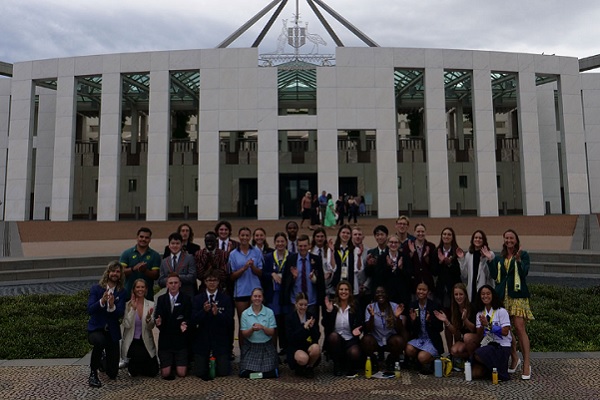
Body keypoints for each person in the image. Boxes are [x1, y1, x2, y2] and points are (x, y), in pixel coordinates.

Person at [483, 229, 533, 380]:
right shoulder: (500, 257)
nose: (509, 240)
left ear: (516, 240)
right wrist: (490, 260)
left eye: (511, 238)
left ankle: (526, 363)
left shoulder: (523, 255)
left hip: (517, 296)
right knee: (506, 328)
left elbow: (524, 273)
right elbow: (494, 275)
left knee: (519, 327)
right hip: (502, 297)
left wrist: (518, 261)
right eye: (506, 238)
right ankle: (514, 357)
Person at [87, 261, 126, 387]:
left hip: (112, 331)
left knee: (112, 374)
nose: (115, 274)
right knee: (99, 341)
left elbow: (120, 313)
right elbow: (90, 309)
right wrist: (102, 301)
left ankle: (102, 360)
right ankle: (93, 373)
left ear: (120, 275)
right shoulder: (96, 289)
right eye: (113, 271)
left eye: (118, 271)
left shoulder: (122, 292)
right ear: (108, 272)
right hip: (96, 329)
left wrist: (112, 305)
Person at [191, 271, 234, 380]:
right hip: (203, 340)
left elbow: (229, 321)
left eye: (214, 280)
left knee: (223, 372)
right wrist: (204, 312)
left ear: (218, 282)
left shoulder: (226, 299)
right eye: (209, 280)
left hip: (220, 340)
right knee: (200, 372)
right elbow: (193, 320)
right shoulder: (197, 299)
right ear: (205, 282)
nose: (212, 283)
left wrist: (217, 314)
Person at [229, 227, 264, 347]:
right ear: (239, 237)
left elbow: (261, 273)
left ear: (250, 237)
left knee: (257, 322)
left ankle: (256, 350)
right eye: (242, 235)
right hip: (241, 292)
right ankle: (244, 353)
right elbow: (232, 276)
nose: (244, 238)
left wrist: (252, 267)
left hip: (255, 291)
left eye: (247, 235)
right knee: (244, 323)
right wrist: (244, 268)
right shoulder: (233, 254)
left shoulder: (256, 252)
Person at [154, 273, 192, 380]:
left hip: (180, 340)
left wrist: (185, 324)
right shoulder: (161, 299)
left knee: (181, 373)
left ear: (180, 284)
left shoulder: (186, 299)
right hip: (166, 340)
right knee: (165, 374)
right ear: (167, 285)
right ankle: (169, 363)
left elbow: (189, 317)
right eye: (171, 283)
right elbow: (158, 316)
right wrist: (158, 322)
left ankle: (177, 363)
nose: (173, 285)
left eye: (176, 283)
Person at [361, 286, 408, 371]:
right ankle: (373, 360)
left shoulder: (394, 306)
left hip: (390, 338)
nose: (380, 295)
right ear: (374, 295)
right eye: (378, 293)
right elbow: (368, 329)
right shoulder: (370, 307)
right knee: (366, 340)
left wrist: (397, 318)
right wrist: (372, 317)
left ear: (387, 294)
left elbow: (399, 329)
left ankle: (391, 359)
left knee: (399, 341)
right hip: (376, 338)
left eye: (382, 292)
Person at [472, 285, 512, 381]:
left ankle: (499, 371)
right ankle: (491, 369)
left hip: (502, 346)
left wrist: (489, 325)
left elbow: (505, 332)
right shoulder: (480, 314)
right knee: (475, 374)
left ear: (492, 295)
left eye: (488, 294)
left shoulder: (501, 311)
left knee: (478, 354)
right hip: (488, 345)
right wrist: (482, 325)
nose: (485, 296)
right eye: (483, 294)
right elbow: (479, 335)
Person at [322, 281, 363, 377]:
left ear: (350, 292)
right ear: (337, 291)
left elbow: (361, 323)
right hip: (336, 339)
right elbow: (325, 325)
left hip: (350, 338)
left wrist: (358, 329)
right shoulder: (332, 305)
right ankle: (337, 365)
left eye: (346, 290)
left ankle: (348, 364)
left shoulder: (355, 305)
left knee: (355, 353)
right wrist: (328, 312)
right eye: (341, 289)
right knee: (333, 337)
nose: (343, 292)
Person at [282, 234, 325, 323]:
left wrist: (314, 279)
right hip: (295, 301)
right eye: (300, 246)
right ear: (297, 246)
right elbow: (285, 280)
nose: (303, 248)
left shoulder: (316, 259)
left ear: (309, 245)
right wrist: (293, 277)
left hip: (311, 302)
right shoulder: (291, 259)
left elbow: (321, 281)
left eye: (305, 246)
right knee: (295, 328)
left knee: (312, 328)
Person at [433, 283, 477, 370]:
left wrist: (465, 320)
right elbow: (455, 332)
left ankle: (473, 358)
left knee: (466, 338)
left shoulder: (472, 307)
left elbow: (474, 329)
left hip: (473, 338)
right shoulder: (454, 308)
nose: (458, 297)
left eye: (461, 294)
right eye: (456, 294)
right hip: (462, 338)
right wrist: (446, 321)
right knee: (454, 350)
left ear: (465, 295)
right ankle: (453, 359)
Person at [405, 280, 444, 374]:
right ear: (416, 290)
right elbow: (410, 329)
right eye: (419, 289)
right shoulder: (413, 305)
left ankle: (434, 359)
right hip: (419, 338)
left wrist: (430, 321)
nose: (421, 292)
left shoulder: (434, 305)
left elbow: (440, 328)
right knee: (408, 349)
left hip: (431, 339)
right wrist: (413, 321)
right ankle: (418, 360)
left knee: (422, 357)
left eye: (424, 290)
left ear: (428, 292)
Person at [122, 279, 159, 377]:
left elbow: (151, 326)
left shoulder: (151, 304)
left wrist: (148, 319)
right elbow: (126, 324)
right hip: (133, 341)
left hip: (145, 340)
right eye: (138, 287)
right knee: (135, 372)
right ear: (134, 289)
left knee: (153, 372)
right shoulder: (128, 305)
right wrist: (133, 309)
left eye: (142, 287)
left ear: (146, 289)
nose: (140, 289)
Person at [239, 288, 279, 378]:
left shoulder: (269, 312)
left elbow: (272, 332)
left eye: (259, 296)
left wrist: (263, 328)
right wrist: (252, 329)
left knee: (272, 371)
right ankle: (261, 375)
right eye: (255, 296)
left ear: (262, 298)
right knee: (244, 373)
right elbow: (244, 334)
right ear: (251, 298)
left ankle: (256, 375)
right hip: (251, 346)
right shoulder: (245, 314)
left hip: (266, 346)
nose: (257, 298)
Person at [262, 232, 291, 354]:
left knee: (286, 322)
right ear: (274, 243)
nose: (280, 244)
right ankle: (273, 349)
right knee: (274, 322)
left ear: (286, 243)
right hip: (273, 295)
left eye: (282, 241)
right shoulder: (268, 257)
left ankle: (286, 348)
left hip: (286, 294)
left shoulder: (291, 257)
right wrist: (272, 274)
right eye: (278, 241)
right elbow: (263, 274)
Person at [120, 227, 161, 302]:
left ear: (150, 239)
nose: (143, 239)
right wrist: (133, 269)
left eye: (146, 237)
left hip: (147, 296)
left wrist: (145, 271)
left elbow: (156, 275)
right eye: (141, 237)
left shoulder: (155, 255)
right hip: (128, 295)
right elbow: (120, 272)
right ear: (137, 237)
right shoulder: (127, 253)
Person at [286, 292, 321, 378]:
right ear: (296, 304)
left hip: (308, 345)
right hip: (295, 347)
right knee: (303, 358)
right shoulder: (290, 317)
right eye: (301, 305)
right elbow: (290, 338)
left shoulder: (311, 316)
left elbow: (317, 337)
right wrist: (304, 327)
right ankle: (300, 367)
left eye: (305, 305)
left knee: (316, 348)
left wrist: (312, 328)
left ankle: (310, 367)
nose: (303, 307)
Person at [457, 230, 495, 302]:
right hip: (471, 291)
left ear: (484, 240)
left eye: (480, 238)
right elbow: (464, 276)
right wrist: (462, 259)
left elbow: (489, 275)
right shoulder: (469, 255)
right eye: (476, 237)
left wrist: (485, 259)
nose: (478, 239)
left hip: (484, 291)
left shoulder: (490, 254)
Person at [159, 232, 197, 298]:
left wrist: (177, 277)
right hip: (170, 297)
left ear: (182, 244)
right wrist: (170, 279)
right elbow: (161, 281)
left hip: (186, 296)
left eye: (177, 243)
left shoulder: (189, 258)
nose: (175, 246)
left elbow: (192, 277)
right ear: (169, 245)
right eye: (173, 243)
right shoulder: (164, 261)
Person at [403, 223, 437, 296]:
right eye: (418, 231)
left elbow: (434, 268)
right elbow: (406, 266)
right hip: (413, 284)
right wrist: (411, 254)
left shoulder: (431, 246)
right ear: (414, 232)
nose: (420, 233)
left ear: (425, 232)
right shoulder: (407, 246)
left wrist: (426, 258)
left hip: (427, 284)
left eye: (422, 231)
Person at [434, 227, 462, 307]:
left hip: (453, 288)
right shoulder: (436, 251)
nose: (446, 236)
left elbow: (459, 272)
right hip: (440, 288)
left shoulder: (457, 252)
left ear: (452, 237)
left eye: (449, 235)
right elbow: (434, 271)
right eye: (444, 234)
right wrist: (440, 262)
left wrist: (449, 264)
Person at [329, 225, 356, 293]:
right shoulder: (333, 248)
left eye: (348, 233)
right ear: (339, 234)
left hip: (350, 283)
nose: (345, 235)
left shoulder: (355, 249)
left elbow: (357, 269)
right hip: (337, 283)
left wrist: (358, 256)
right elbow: (333, 267)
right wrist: (332, 252)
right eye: (343, 232)